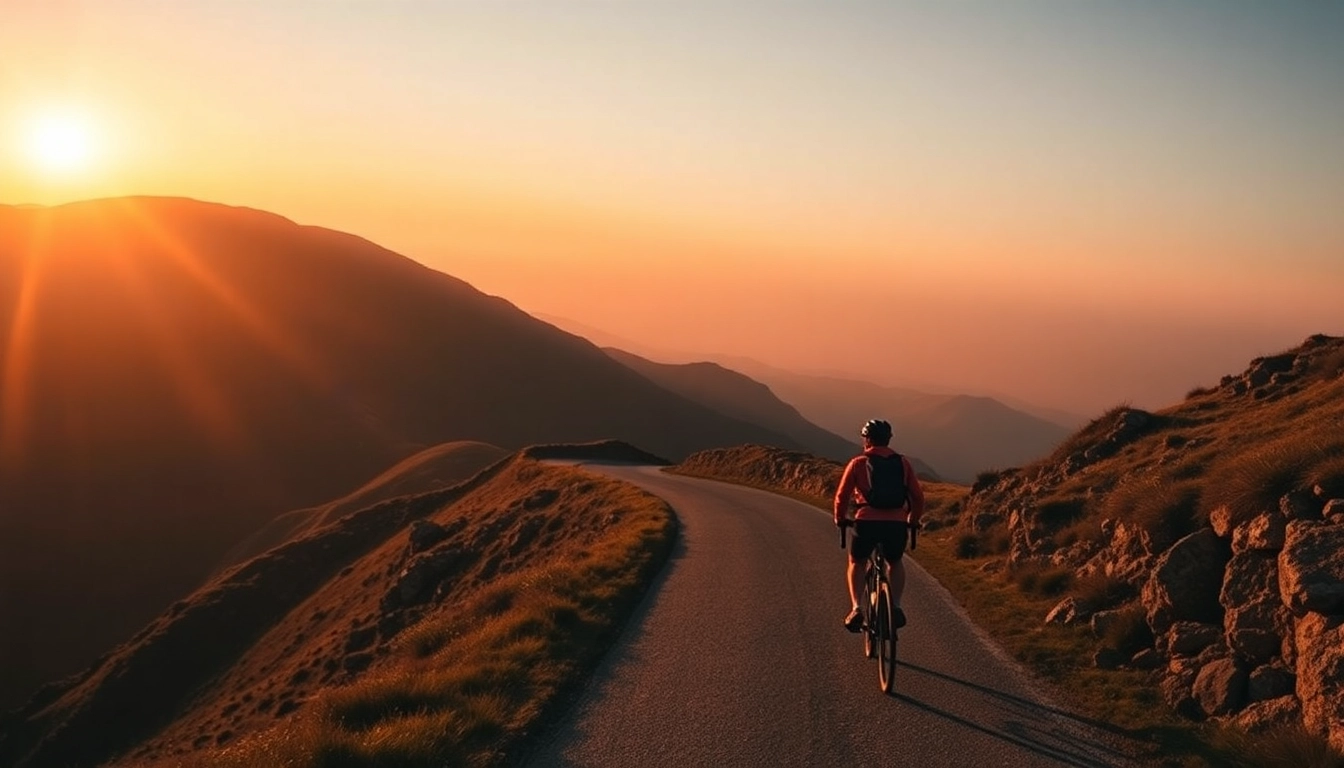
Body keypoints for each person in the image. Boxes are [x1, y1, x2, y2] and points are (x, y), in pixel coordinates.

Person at [833, 418, 924, 632]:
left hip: (866, 522)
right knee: (895, 562)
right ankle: (896, 606)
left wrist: (840, 518)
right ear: (888, 439)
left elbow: (842, 496)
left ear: (867, 440)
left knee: (857, 561)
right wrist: (913, 519)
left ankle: (856, 608)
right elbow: (918, 498)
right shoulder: (902, 463)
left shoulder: (858, 463)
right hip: (896, 524)